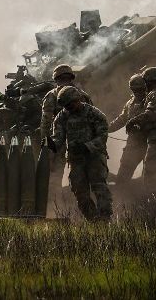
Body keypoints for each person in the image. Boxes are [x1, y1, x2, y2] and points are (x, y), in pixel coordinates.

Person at [51, 85, 112, 222]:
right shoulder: (62, 116)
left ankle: (105, 218)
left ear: (77, 99)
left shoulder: (95, 114)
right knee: (79, 191)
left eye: (70, 105)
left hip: (94, 157)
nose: (69, 108)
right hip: (75, 159)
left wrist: (86, 147)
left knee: (99, 186)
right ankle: (93, 219)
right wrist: (49, 144)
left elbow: (102, 137)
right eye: (66, 106)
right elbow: (58, 138)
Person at [39, 64, 93, 189]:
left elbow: (45, 121)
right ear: (71, 78)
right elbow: (92, 117)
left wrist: (45, 141)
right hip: (81, 139)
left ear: (56, 78)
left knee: (55, 174)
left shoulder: (51, 95)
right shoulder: (82, 95)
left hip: (59, 139)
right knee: (82, 171)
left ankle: (55, 203)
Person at [109, 73, 148, 186]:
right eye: (135, 90)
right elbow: (121, 119)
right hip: (133, 144)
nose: (138, 92)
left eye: (140, 89)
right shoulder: (130, 103)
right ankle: (123, 198)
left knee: (151, 175)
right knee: (123, 177)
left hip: (149, 142)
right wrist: (107, 128)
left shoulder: (152, 100)